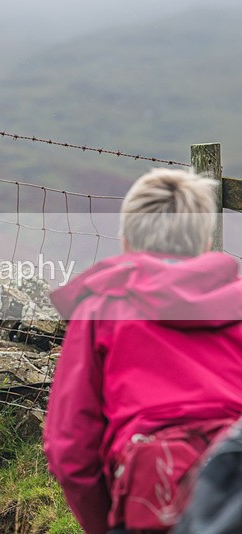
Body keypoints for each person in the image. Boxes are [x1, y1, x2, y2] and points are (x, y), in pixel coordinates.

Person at [43, 168, 242, 533]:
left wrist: (105, 525)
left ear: (126, 239)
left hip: (155, 492)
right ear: (203, 239)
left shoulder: (101, 310)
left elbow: (70, 449)